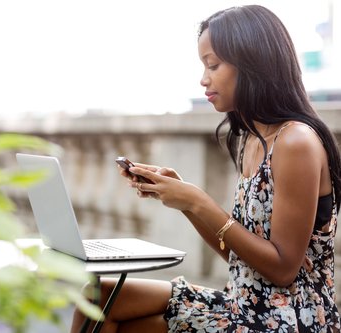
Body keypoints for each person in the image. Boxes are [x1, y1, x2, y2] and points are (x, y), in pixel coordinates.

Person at [71, 5, 340, 333]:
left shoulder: (296, 142)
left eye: (213, 65)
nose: (204, 79)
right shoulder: (255, 140)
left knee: (119, 320)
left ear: (253, 63)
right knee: (99, 297)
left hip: (287, 320)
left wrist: (198, 201)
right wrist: (185, 203)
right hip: (244, 305)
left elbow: (282, 270)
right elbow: (241, 257)